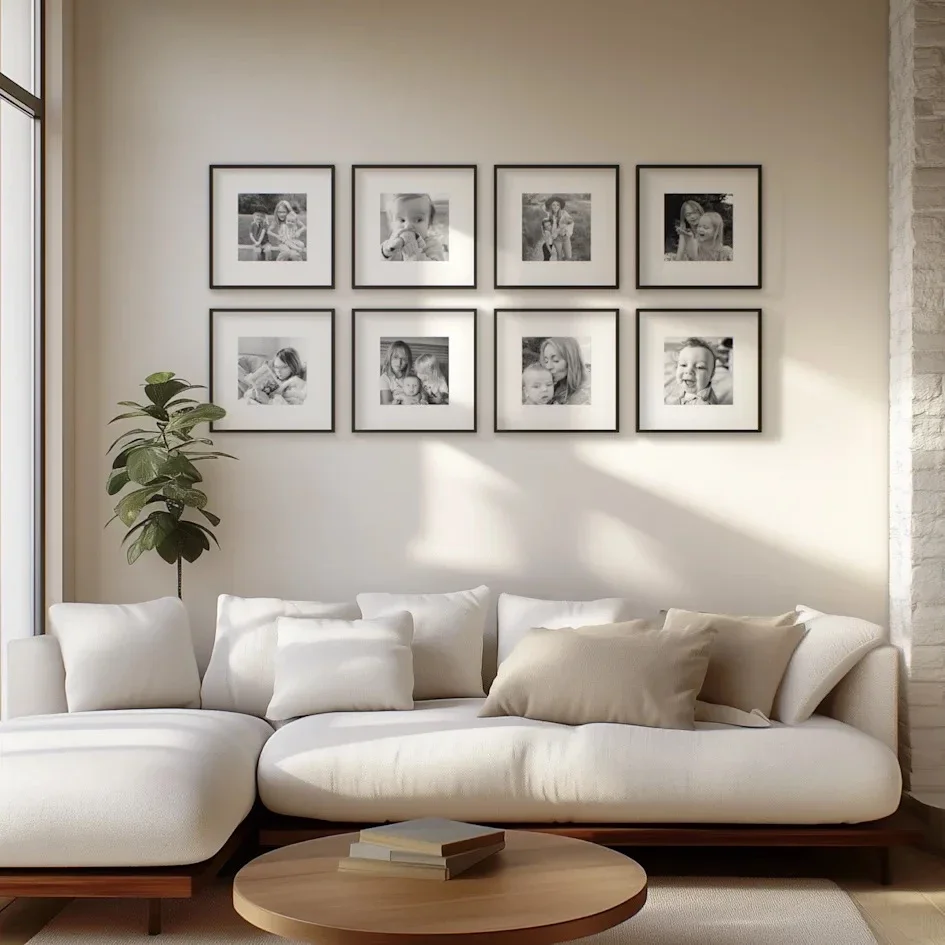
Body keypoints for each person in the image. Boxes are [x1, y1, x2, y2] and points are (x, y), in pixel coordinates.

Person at [381, 194, 447, 261]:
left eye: (418, 220)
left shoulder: (433, 245)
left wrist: (415, 255)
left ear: (429, 223)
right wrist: (385, 252)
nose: (408, 226)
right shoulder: (392, 243)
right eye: (402, 220)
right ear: (392, 224)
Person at [242, 347, 307, 405]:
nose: (278, 371)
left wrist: (269, 401)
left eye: (284, 367)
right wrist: (252, 393)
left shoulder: (295, 383)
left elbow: (293, 406)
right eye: (276, 367)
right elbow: (246, 396)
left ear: (293, 366)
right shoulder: (274, 377)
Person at [665, 337, 720, 405]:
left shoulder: (703, 404)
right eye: (683, 365)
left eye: (699, 367)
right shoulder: (675, 388)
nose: (689, 370)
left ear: (711, 375)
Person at [540, 337, 591, 405]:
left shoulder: (584, 397)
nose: (548, 367)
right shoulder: (555, 385)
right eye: (546, 361)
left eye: (555, 360)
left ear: (571, 362)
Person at [380, 339, 414, 405]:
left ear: (407, 361)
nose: (399, 362)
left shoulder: (411, 376)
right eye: (395, 357)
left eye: (404, 359)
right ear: (389, 358)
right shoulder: (384, 379)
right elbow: (386, 403)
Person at [544, 196, 574, 261]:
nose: (556, 207)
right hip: (557, 239)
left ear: (560, 206)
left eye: (557, 205)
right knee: (559, 256)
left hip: (565, 237)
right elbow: (551, 232)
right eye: (553, 205)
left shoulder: (564, 213)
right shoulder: (549, 216)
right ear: (551, 206)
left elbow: (570, 221)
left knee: (568, 256)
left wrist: (559, 229)